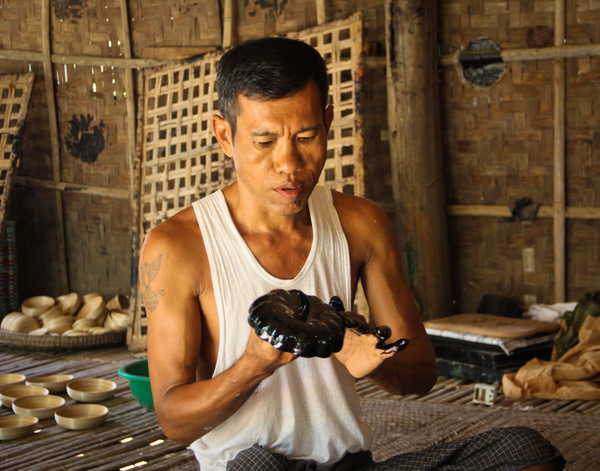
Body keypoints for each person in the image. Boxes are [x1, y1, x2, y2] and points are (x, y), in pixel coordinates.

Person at [138, 37, 565, 471]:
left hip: (349, 466)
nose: (289, 163)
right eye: (264, 142)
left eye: (306, 136)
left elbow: (420, 374)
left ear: (327, 123)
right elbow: (174, 420)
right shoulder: (178, 247)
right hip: (248, 467)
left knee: (524, 452)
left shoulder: (360, 223)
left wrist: (371, 361)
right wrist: (253, 364)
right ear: (225, 135)